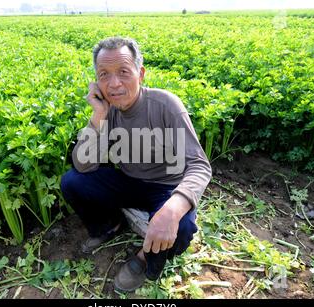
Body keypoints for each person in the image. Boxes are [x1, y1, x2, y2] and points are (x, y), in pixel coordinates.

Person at [61, 37, 211, 292]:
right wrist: (98, 115)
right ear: (97, 81)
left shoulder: (165, 106)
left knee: (182, 228)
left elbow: (199, 164)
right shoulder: (108, 111)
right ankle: (110, 227)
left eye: (123, 72)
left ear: (140, 73)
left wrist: (173, 208)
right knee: (72, 182)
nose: (114, 84)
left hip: (165, 186)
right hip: (129, 181)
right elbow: (83, 165)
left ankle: (144, 257)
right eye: (104, 75)